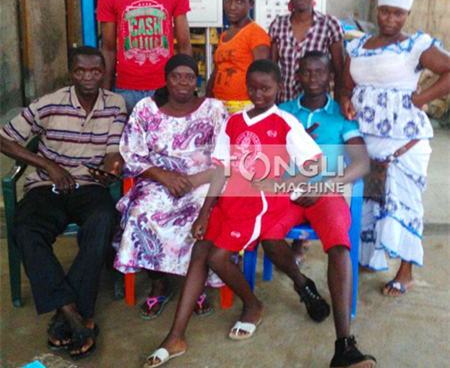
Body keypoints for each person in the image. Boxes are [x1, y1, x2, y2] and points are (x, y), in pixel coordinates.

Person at [144, 59, 332, 368]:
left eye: (266, 89)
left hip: (260, 203)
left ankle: (253, 305)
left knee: (218, 257)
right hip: (230, 200)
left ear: (279, 88)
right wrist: (205, 213)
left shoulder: (284, 122)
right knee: (200, 251)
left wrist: (285, 184)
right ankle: (175, 336)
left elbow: (316, 161)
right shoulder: (234, 122)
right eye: (253, 88)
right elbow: (221, 170)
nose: (258, 94)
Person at [0, 46, 127, 359]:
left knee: (103, 221)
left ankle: (65, 313)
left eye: (95, 71)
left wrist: (111, 168)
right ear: (71, 73)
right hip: (48, 186)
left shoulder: (115, 104)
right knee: (26, 228)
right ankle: (75, 315)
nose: (88, 77)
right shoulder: (50, 103)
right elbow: (4, 138)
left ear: (104, 73)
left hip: (89, 186)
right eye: (81, 71)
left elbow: (113, 149)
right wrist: (48, 165)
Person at [341, 0, 450, 297]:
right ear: (377, 10)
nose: (390, 19)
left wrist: (422, 98)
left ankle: (406, 271)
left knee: (403, 203)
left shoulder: (415, 45)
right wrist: (345, 100)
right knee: (368, 202)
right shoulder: (359, 45)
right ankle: (369, 259)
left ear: (407, 14)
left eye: (398, 13)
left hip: (404, 141)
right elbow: (346, 84)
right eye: (385, 11)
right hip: (365, 139)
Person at [280, 51, 376, 367]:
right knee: (266, 233)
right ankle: (303, 285)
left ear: (329, 77)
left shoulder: (341, 115)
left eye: (319, 72)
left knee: (338, 246)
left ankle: (344, 345)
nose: (313, 78)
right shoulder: (283, 112)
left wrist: (322, 186)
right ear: (297, 76)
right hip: (287, 193)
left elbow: (361, 163)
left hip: (326, 193)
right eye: (306, 72)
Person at [114, 54, 228, 320]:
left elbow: (227, 157)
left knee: (202, 215)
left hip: (205, 180)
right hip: (157, 179)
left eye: (189, 77)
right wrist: (164, 176)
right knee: (141, 214)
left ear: (197, 81)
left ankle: (195, 282)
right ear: (166, 79)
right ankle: (159, 283)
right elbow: (131, 152)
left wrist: (195, 181)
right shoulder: (146, 108)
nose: (183, 82)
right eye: (176, 76)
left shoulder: (213, 109)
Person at [269, 0, 344, 104]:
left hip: (317, 106)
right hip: (285, 103)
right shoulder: (278, 25)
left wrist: (338, 105)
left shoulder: (329, 25)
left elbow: (339, 72)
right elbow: (271, 70)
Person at [206, 0, 270, 113]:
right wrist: (207, 102)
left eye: (239, 1)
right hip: (219, 105)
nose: (232, 6)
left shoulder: (256, 33)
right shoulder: (224, 35)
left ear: (251, 4)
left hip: (244, 107)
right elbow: (216, 72)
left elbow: (263, 76)